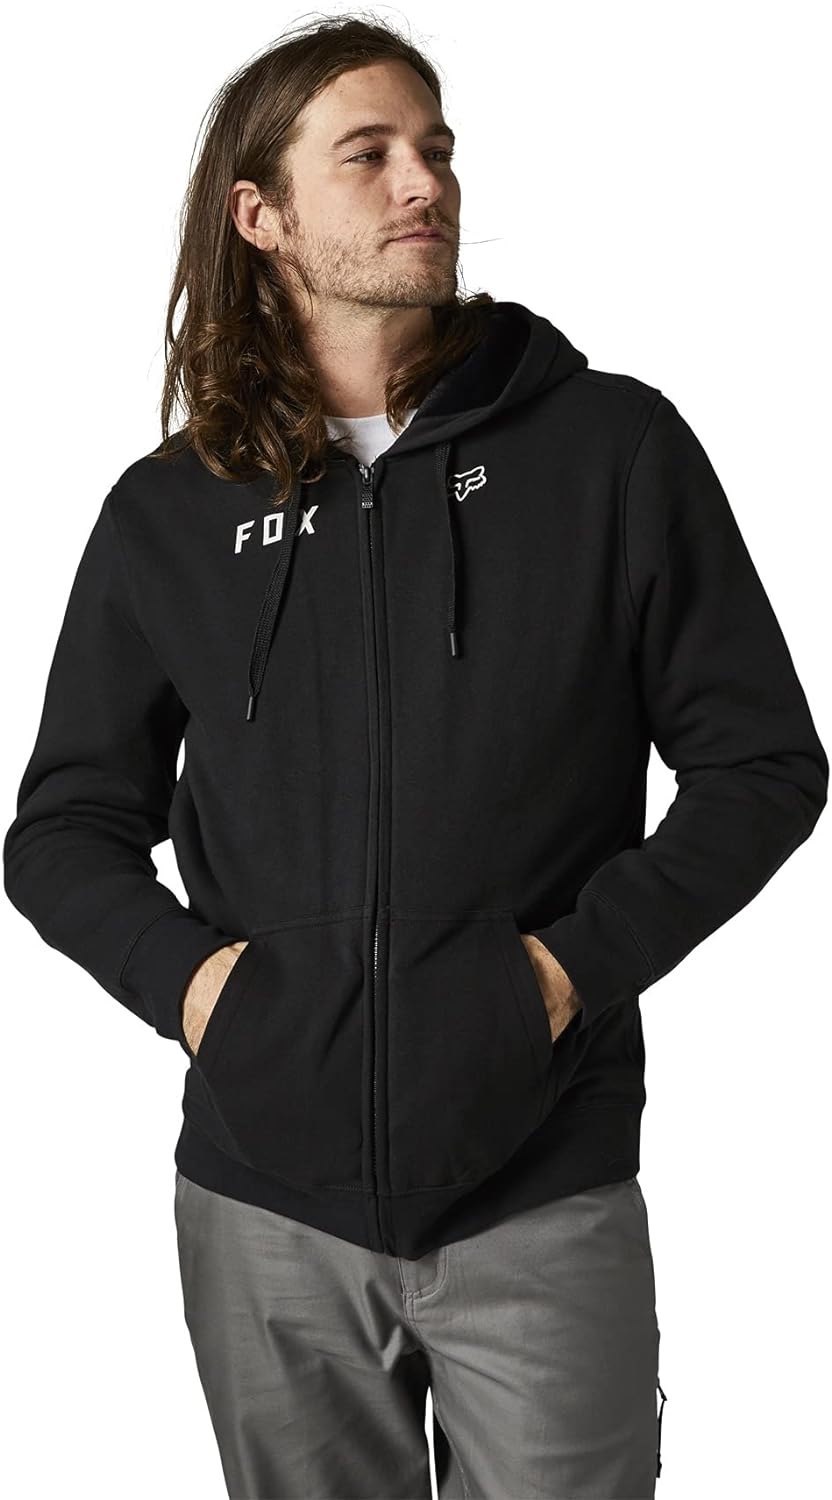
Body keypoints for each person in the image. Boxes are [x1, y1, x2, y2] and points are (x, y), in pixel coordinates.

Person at [3, 15, 827, 1500]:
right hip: (265, 1208)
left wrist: (562, 977)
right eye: (368, 154)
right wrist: (202, 994)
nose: (423, 182)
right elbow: (63, 826)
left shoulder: (610, 449)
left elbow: (763, 763)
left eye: (436, 149)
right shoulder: (171, 511)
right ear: (260, 216)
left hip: (542, 1183)